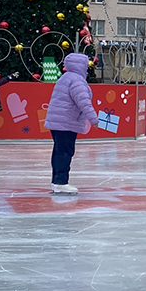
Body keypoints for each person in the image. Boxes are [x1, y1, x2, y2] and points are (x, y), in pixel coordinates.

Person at [43, 52, 98, 194]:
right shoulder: (77, 80)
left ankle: (57, 180)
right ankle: (61, 182)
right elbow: (83, 102)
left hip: (58, 122)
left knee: (59, 151)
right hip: (66, 122)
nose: (87, 69)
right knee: (65, 151)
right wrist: (93, 119)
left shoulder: (65, 78)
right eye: (86, 66)